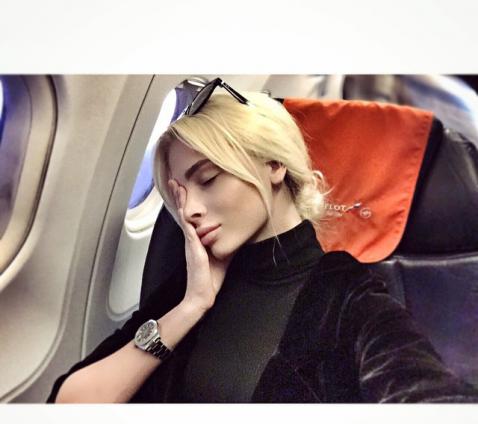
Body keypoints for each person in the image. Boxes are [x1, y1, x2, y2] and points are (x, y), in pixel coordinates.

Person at [48, 78, 478, 403]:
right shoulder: (190, 285)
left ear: (274, 164)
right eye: (179, 194)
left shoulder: (348, 299)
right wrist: (190, 308)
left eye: (207, 179)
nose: (189, 210)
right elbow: (69, 404)